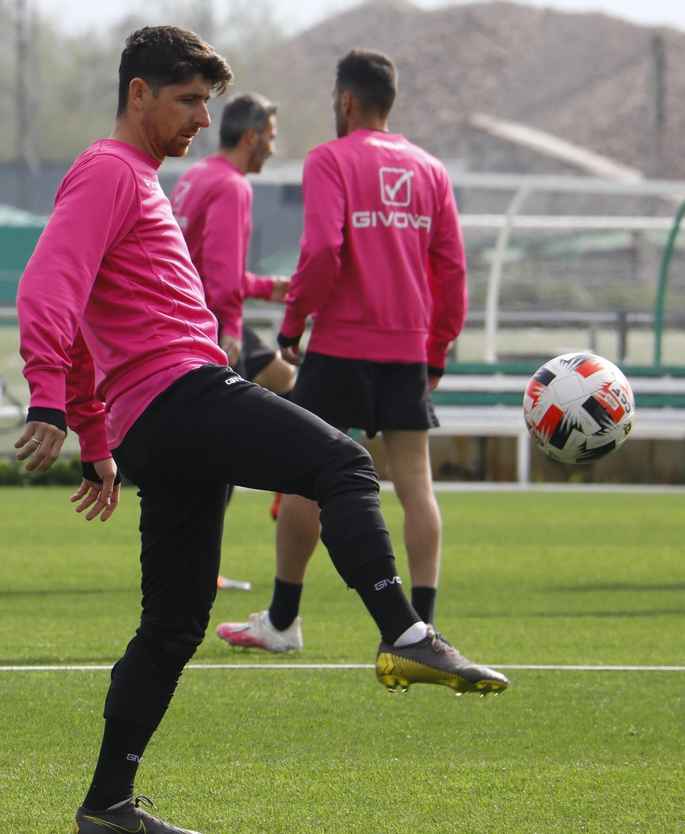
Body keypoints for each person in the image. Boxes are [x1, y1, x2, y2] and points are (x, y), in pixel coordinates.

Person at [14, 27, 506, 834]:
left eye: (207, 104)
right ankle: (407, 632)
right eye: (187, 102)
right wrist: (47, 400)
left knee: (172, 624)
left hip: (152, 414)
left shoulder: (135, 178)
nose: (202, 122)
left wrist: (96, 437)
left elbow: (92, 317)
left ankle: (106, 806)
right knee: (344, 464)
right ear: (138, 94)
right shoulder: (108, 170)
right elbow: (49, 288)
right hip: (180, 393)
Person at [214, 49, 467, 654]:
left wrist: (294, 324)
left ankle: (282, 620)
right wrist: (437, 348)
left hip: (343, 341)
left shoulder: (330, 160)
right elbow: (452, 269)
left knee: (307, 478)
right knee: (415, 485)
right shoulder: (430, 170)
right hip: (407, 346)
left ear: (345, 101)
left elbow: (324, 250)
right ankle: (422, 629)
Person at [170, 91, 292, 590]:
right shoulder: (233, 187)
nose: (273, 149)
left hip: (185, 313)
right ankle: (290, 481)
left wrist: (266, 287)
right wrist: (234, 332)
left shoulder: (198, 174)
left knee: (286, 382)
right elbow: (218, 282)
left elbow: (204, 261)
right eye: (271, 139)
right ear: (251, 136)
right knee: (217, 448)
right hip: (210, 322)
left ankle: (290, 484)